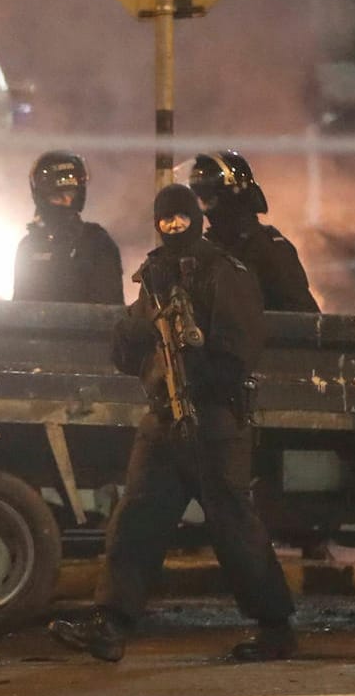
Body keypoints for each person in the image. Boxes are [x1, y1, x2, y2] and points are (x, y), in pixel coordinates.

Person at [48, 183, 296, 663]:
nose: (174, 229)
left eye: (182, 220)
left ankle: (276, 626)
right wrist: (141, 321)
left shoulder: (225, 274)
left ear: (196, 220)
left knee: (233, 526)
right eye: (166, 222)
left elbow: (242, 348)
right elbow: (126, 353)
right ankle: (111, 624)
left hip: (214, 422)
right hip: (164, 420)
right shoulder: (156, 275)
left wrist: (198, 367)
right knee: (135, 520)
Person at [188, 151, 320, 312]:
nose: (204, 208)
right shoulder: (205, 250)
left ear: (230, 196)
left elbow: (304, 320)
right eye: (200, 199)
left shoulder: (269, 250)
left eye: (209, 199)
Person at [13, 150, 125, 304]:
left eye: (71, 194)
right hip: (39, 328)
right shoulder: (28, 246)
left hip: (88, 328)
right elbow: (19, 308)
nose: (67, 201)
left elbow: (111, 311)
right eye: (57, 196)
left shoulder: (98, 242)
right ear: (42, 197)